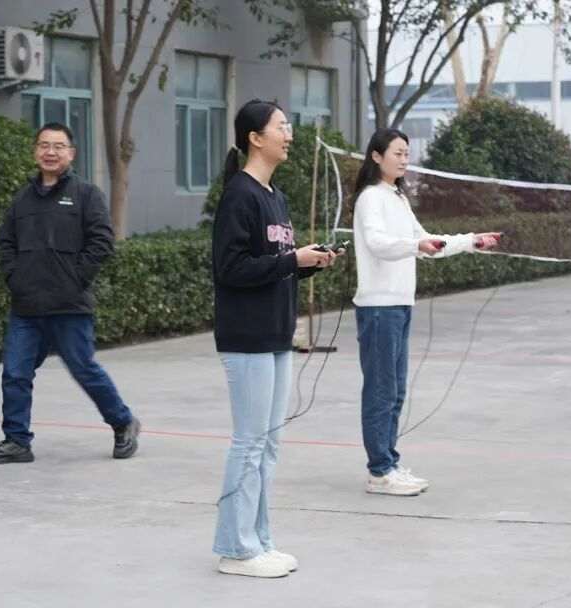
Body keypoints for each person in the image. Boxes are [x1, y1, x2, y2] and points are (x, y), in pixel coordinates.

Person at [211, 100, 336, 578]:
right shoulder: (239, 195)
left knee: (267, 446)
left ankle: (259, 540)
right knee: (248, 444)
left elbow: (272, 267)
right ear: (255, 137)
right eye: (281, 127)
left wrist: (308, 263)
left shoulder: (274, 196)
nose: (289, 135)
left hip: (277, 335)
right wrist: (291, 260)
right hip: (247, 338)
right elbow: (230, 269)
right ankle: (235, 549)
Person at [0, 123, 140, 465]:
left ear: (71, 153)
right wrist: (15, 277)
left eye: (58, 146)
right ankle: (16, 440)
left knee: (84, 370)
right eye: (44, 145)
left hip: (69, 306)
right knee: (15, 373)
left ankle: (123, 422)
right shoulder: (23, 198)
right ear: (36, 151)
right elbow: (6, 243)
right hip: (27, 307)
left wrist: (76, 278)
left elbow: (102, 241)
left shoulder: (85, 194)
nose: (50, 152)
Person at [351, 128, 501, 496]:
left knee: (396, 391)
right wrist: (416, 245)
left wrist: (471, 241)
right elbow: (378, 244)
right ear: (376, 156)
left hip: (400, 305)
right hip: (378, 308)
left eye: (406, 153)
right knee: (381, 392)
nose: (404, 159)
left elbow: (427, 241)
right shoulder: (370, 198)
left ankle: (389, 463)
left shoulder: (398, 197)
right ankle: (379, 472)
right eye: (397, 153)